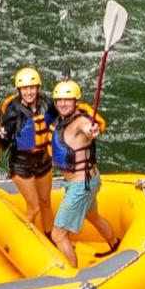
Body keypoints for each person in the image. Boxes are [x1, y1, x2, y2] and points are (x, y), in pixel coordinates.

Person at [0, 67, 59, 243]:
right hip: (21, 164)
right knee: (34, 207)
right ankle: (19, 241)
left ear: (38, 88)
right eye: (25, 89)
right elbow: (2, 146)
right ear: (19, 90)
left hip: (43, 160)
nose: (29, 92)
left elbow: (60, 119)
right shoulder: (13, 111)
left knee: (46, 202)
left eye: (32, 88)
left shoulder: (47, 104)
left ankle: (50, 238)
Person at [50, 76, 106, 259]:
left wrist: (92, 130)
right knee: (93, 216)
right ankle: (114, 243)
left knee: (58, 235)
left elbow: (89, 128)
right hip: (86, 182)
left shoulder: (79, 122)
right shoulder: (61, 120)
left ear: (76, 102)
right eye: (59, 100)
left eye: (67, 100)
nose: (63, 104)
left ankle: (72, 274)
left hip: (81, 186)